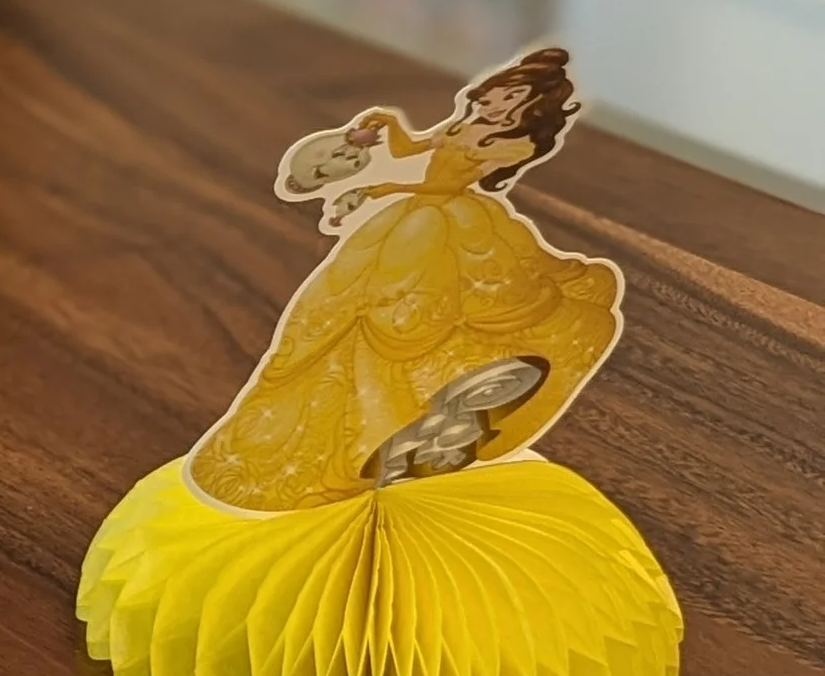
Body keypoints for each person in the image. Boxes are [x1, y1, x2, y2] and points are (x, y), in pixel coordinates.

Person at [192, 47, 621, 513]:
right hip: (411, 221)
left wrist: (382, 188)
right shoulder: (464, 125)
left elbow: (445, 187)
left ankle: (442, 403)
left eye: (512, 96)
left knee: (436, 318)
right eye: (497, 92)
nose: (496, 103)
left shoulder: (515, 145)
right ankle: (352, 426)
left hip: (449, 221)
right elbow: (410, 150)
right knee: (349, 311)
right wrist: (388, 125)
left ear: (531, 105)